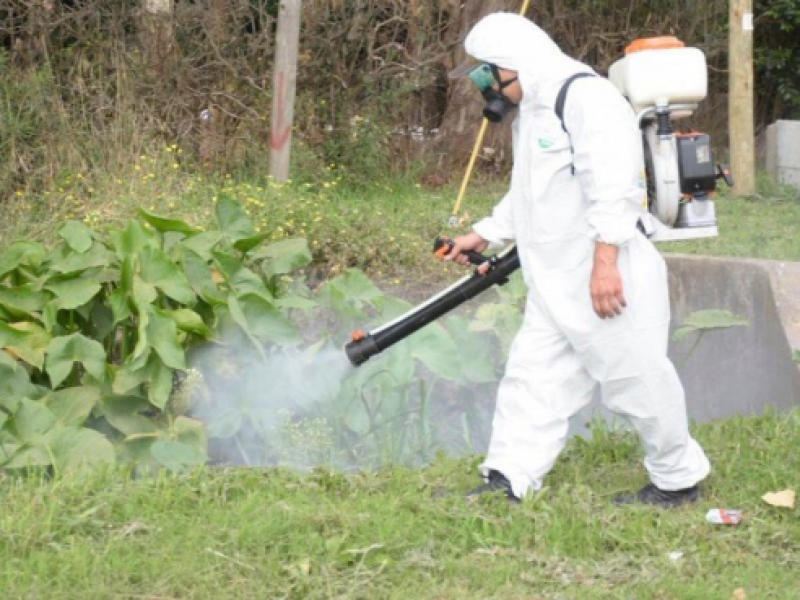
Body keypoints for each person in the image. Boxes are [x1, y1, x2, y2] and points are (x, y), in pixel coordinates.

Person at [445, 12, 710, 507]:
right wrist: (484, 233)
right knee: (534, 375)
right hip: (554, 275)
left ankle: (677, 481)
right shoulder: (536, 110)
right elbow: (532, 193)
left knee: (638, 381)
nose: (486, 87)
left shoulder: (584, 98)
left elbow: (615, 187)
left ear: (517, 65)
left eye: (488, 74)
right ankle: (509, 477)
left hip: (603, 271)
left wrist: (605, 265)